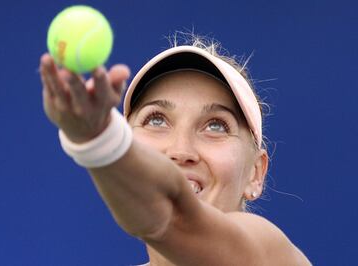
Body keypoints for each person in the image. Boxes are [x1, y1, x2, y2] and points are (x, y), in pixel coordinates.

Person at [39, 35, 311, 265]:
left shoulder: (274, 257)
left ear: (256, 173)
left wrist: (97, 140)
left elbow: (173, 219)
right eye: (156, 120)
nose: (181, 151)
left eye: (216, 126)